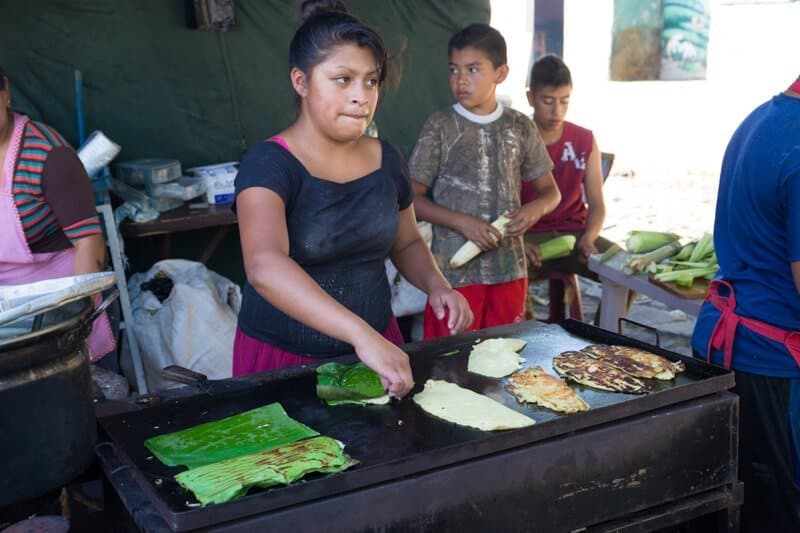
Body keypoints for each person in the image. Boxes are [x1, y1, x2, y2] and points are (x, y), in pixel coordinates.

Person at [232, 0, 472, 398]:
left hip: (378, 352)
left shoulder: (387, 159)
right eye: (342, 79)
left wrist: (436, 284)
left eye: (371, 81)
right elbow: (264, 265)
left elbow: (407, 241)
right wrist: (362, 336)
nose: (361, 96)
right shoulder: (269, 165)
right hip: (285, 362)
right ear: (301, 81)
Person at [691, 76, 800, 532]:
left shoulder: (765, 118)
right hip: (773, 366)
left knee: (738, 506)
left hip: (725, 346)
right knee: (779, 513)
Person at [409, 24, 560, 339]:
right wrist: (462, 222)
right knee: (449, 365)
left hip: (510, 270)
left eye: (473, 69)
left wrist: (534, 211)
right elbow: (413, 199)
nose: (461, 79)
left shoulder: (519, 126)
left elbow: (551, 192)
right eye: (454, 69)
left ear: (500, 73)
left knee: (503, 360)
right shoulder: (440, 126)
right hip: (453, 275)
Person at [0, 66, 114, 362]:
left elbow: (89, 243)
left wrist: (78, 320)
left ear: (5, 92)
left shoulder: (48, 154)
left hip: (57, 302)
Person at [522, 54, 622, 320]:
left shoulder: (584, 139)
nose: (557, 111)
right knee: (506, 273)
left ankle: (601, 339)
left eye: (564, 101)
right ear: (531, 98)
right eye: (548, 101)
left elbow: (597, 204)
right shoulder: (516, 138)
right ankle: (532, 340)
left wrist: (589, 237)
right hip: (529, 237)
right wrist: (516, 240)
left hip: (575, 234)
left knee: (625, 271)